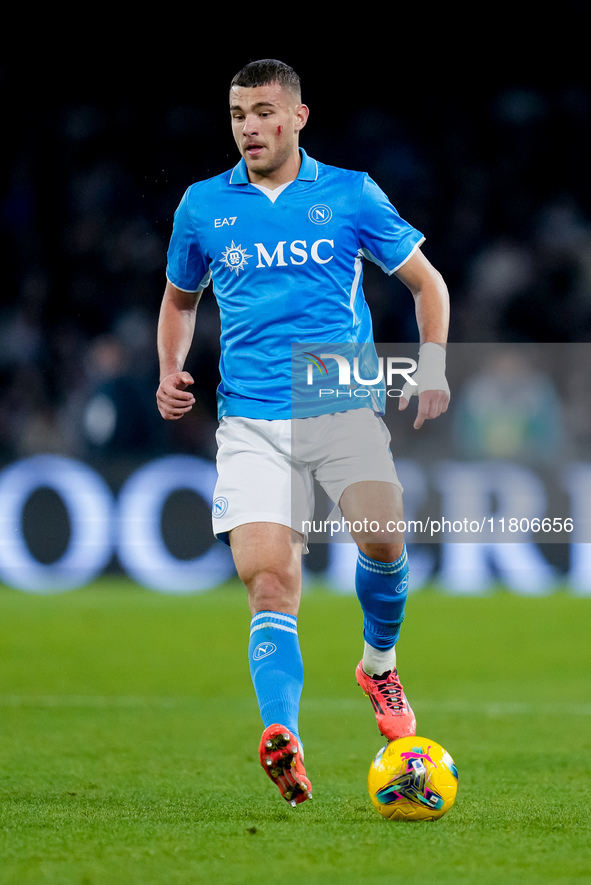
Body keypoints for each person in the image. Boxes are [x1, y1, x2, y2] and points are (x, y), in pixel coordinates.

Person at [156, 59, 450, 807]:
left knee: (382, 537)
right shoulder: (202, 206)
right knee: (267, 577)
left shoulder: (349, 193)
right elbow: (180, 299)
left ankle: (377, 664)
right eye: (235, 114)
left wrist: (434, 367)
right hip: (251, 416)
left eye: (261, 111)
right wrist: (170, 367)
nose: (247, 126)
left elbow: (427, 283)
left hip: (338, 400)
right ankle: (282, 736)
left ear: (296, 117)